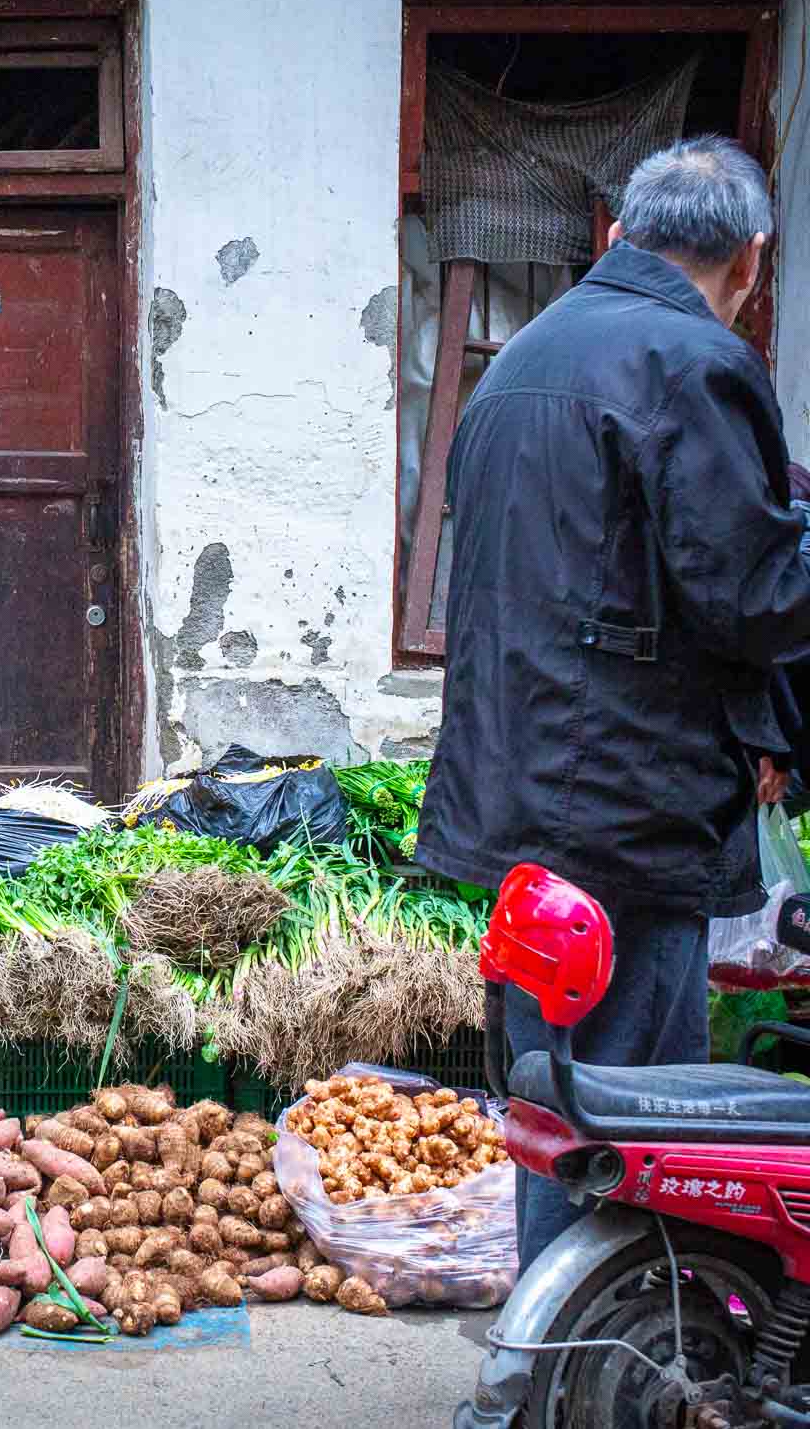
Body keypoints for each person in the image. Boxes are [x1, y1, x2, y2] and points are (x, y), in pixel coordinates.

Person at [414, 136, 810, 1272]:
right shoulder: (695, 361)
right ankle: (596, 1362)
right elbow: (752, 597)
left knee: (559, 1103)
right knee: (635, 1115)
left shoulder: (522, 358)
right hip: (630, 808)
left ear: (618, 233)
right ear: (751, 258)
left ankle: (554, 1348)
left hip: (522, 795)